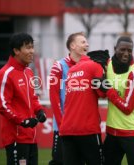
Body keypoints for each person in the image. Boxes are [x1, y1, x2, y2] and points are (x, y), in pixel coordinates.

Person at [0, 32, 47, 165]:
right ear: (16, 51)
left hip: (31, 137)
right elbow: (3, 106)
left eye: (32, 47)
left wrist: (39, 111)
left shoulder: (28, 72)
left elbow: (33, 98)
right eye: (28, 48)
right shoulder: (5, 74)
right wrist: (22, 121)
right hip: (16, 138)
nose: (32, 51)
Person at [99, 36, 134, 165]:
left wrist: (107, 89)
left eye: (129, 51)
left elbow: (127, 108)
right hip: (112, 131)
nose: (126, 54)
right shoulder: (107, 65)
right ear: (115, 49)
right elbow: (102, 94)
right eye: (122, 50)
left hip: (131, 132)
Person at [59, 48, 109, 164]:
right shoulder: (95, 66)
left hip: (67, 129)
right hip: (87, 129)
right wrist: (105, 75)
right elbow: (103, 93)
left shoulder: (72, 69)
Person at [48, 32, 88, 165]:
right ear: (72, 46)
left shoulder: (89, 66)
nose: (87, 44)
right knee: (59, 162)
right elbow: (54, 99)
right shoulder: (58, 66)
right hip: (63, 128)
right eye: (83, 42)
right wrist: (61, 125)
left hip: (82, 129)